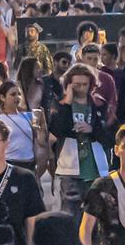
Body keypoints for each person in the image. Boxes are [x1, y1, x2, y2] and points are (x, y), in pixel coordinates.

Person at [49, 65, 114, 216]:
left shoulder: (99, 105)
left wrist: (93, 130)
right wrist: (68, 101)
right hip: (70, 168)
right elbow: (57, 130)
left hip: (95, 168)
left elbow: (110, 137)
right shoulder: (60, 104)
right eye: (76, 85)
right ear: (69, 85)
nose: (81, 88)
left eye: (85, 84)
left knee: (96, 215)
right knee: (71, 215)